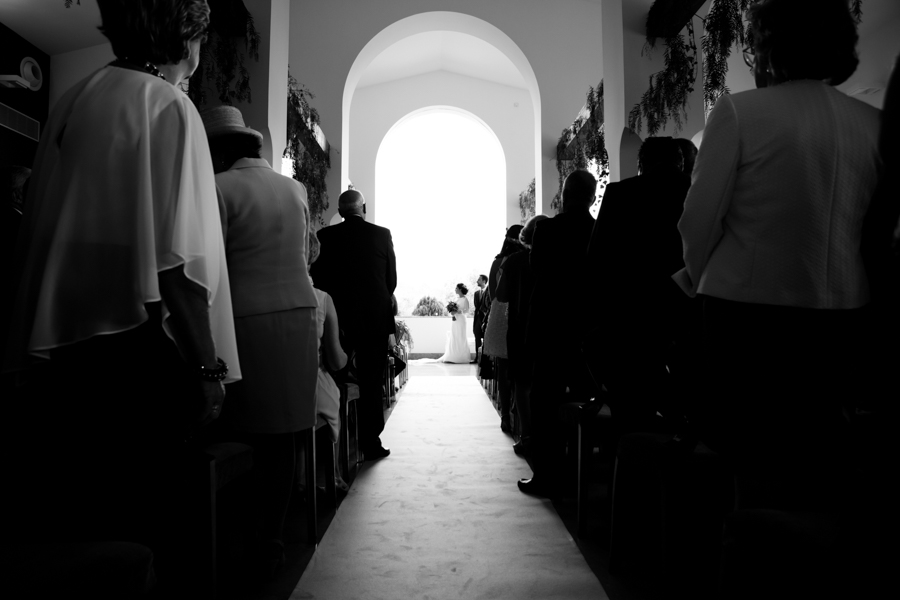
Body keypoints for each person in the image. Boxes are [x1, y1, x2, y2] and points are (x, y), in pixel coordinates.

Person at [2, 0, 239, 589]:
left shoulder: (73, 100)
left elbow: (43, 229)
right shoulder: (170, 106)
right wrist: (208, 368)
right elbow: (176, 264)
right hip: (135, 353)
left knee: (82, 521)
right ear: (185, 38)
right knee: (148, 524)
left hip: (64, 354)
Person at [673, 0, 881, 511]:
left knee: (750, 468)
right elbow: (876, 232)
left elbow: (698, 222)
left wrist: (702, 280)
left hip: (746, 321)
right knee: (818, 465)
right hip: (843, 318)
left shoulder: (741, 111)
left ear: (766, 46)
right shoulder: (873, 124)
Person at [202, 104, 318, 576]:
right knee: (286, 432)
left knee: (241, 429)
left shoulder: (218, 186)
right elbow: (307, 252)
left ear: (223, 149)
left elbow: (212, 260)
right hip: (299, 312)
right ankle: (271, 539)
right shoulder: (295, 188)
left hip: (246, 318)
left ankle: (238, 539)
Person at [585, 137, 690, 433]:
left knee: (633, 412)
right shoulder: (696, 189)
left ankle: (634, 461)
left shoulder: (620, 193)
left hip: (631, 318)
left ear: (641, 165)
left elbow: (597, 259)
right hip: (686, 314)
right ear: (680, 162)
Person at [519, 170, 598, 497]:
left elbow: (537, 268)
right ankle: (580, 473)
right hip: (584, 325)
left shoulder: (547, 228)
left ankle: (546, 476)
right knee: (580, 396)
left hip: (550, 324)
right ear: (592, 197)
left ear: (563, 196)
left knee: (543, 401)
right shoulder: (598, 230)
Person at [311, 189, 397, 460]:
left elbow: (319, 278)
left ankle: (333, 444)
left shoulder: (326, 236)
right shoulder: (381, 234)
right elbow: (391, 280)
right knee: (371, 381)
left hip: (339, 319)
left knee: (335, 376)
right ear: (364, 208)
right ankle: (370, 442)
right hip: (374, 319)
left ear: (340, 210)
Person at [496, 214, 549, 454]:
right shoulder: (555, 259)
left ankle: (527, 435)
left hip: (519, 328)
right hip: (548, 327)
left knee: (522, 383)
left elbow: (502, 295)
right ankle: (547, 435)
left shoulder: (514, 261)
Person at [307, 228, 350, 492]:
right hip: (309, 383)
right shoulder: (322, 299)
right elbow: (335, 361)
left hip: (260, 388)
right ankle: (331, 477)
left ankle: (298, 480)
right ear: (312, 257)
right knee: (330, 402)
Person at [483, 225, 523, 433]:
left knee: (504, 369)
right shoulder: (527, 260)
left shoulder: (497, 262)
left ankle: (505, 414)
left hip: (500, 315)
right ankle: (518, 410)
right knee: (521, 369)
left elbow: (493, 295)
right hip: (519, 314)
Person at [439, 283, 471, 363]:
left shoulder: (465, 299)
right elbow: (454, 309)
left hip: (461, 320)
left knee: (460, 336)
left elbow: (467, 311)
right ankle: (452, 356)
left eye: (456, 288)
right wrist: (452, 312)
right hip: (455, 320)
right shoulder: (457, 299)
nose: (455, 289)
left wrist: (458, 311)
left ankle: (461, 357)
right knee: (454, 335)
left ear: (460, 289)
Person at [472, 274, 488, 363]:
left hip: (485, 318)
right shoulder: (476, 293)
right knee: (477, 337)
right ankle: (477, 358)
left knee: (486, 338)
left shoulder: (489, 291)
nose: (477, 281)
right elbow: (476, 306)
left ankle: (485, 358)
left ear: (484, 281)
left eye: (479, 280)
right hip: (477, 319)